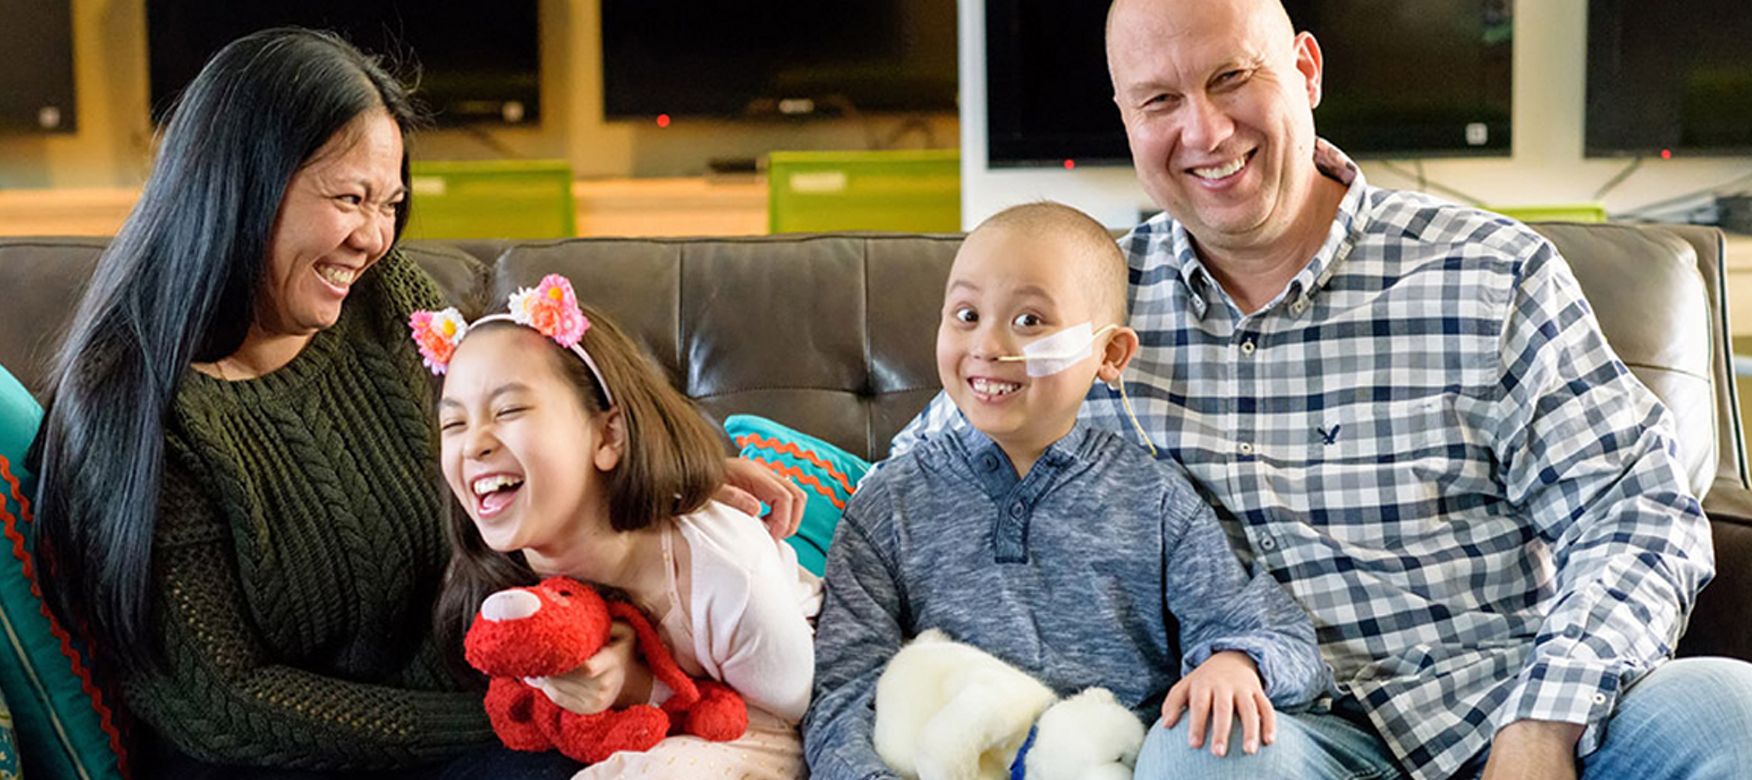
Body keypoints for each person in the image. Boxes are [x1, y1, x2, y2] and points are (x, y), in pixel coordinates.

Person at [889, 1, 1752, 779]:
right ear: (1125, 119)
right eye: (1160, 101)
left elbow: (1632, 513)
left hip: (1512, 704)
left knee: (1728, 710)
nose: (1205, 129)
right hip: (1276, 730)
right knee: (1200, 755)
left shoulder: (1489, 273)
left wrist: (1544, 725)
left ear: (1305, 69)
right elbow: (912, 481)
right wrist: (760, 499)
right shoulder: (1081, 307)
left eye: (1232, 77)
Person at [25, 28, 803, 777]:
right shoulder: (135, 409)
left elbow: (526, 418)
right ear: (242, 188)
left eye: (390, 202)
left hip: (492, 702)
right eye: (350, 197)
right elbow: (224, 705)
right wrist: (519, 710)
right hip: (290, 758)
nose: (374, 237)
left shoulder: (380, 297)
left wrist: (669, 474)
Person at [805, 203, 1331, 777]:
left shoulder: (1155, 501)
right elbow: (844, 688)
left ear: (1109, 355)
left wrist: (1237, 662)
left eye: (1030, 321)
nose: (987, 344)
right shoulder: (887, 504)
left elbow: (1272, 632)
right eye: (966, 314)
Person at [423, 275, 819, 778]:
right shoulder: (494, 571)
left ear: (609, 435)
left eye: (510, 410)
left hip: (773, 704)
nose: (473, 443)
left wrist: (640, 686)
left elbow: (790, 712)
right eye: (452, 424)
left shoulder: (724, 574)